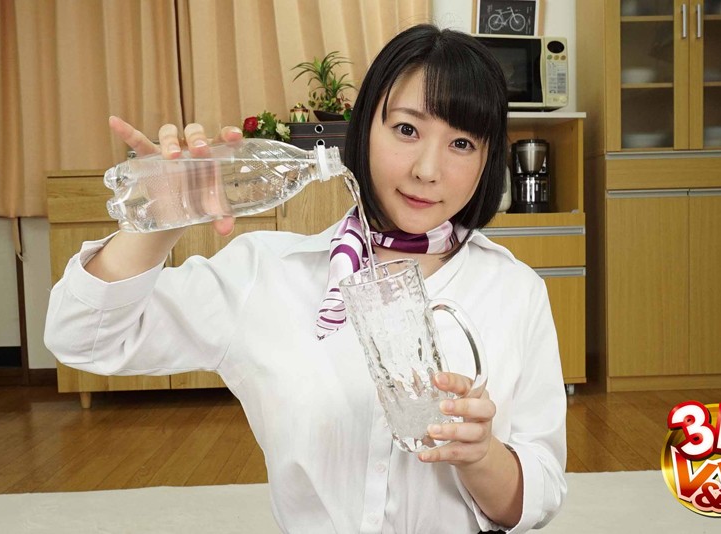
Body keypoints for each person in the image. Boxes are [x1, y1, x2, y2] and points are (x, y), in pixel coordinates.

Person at [45, 24, 566, 533]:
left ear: (487, 161)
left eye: (462, 144)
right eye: (407, 130)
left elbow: (540, 495)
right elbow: (81, 338)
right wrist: (158, 221)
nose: (427, 170)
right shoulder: (266, 274)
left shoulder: (515, 291)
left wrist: (481, 455)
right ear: (365, 128)